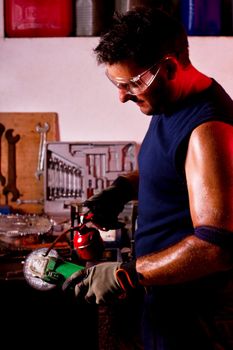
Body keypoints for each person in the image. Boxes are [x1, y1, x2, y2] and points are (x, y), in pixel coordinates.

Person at [63, 7, 233, 350]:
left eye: (132, 84)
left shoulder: (207, 129)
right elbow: (174, 169)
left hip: (193, 318)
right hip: (166, 304)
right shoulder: (171, 104)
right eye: (117, 83)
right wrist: (121, 189)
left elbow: (215, 247)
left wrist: (125, 273)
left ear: (169, 67)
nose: (122, 96)